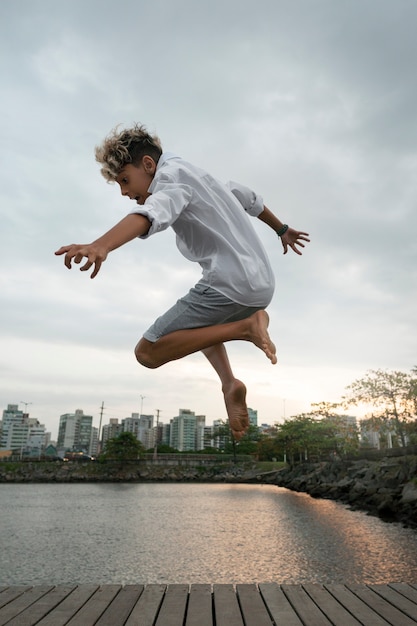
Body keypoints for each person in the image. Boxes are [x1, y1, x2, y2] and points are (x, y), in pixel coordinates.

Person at [55, 124, 310, 441]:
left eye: (125, 180)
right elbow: (248, 197)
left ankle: (245, 328)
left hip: (230, 286)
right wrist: (281, 228)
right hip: (261, 287)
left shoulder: (170, 180)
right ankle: (230, 379)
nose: (124, 192)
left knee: (148, 352)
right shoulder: (202, 177)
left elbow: (150, 213)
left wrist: (100, 245)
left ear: (148, 165)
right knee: (190, 329)